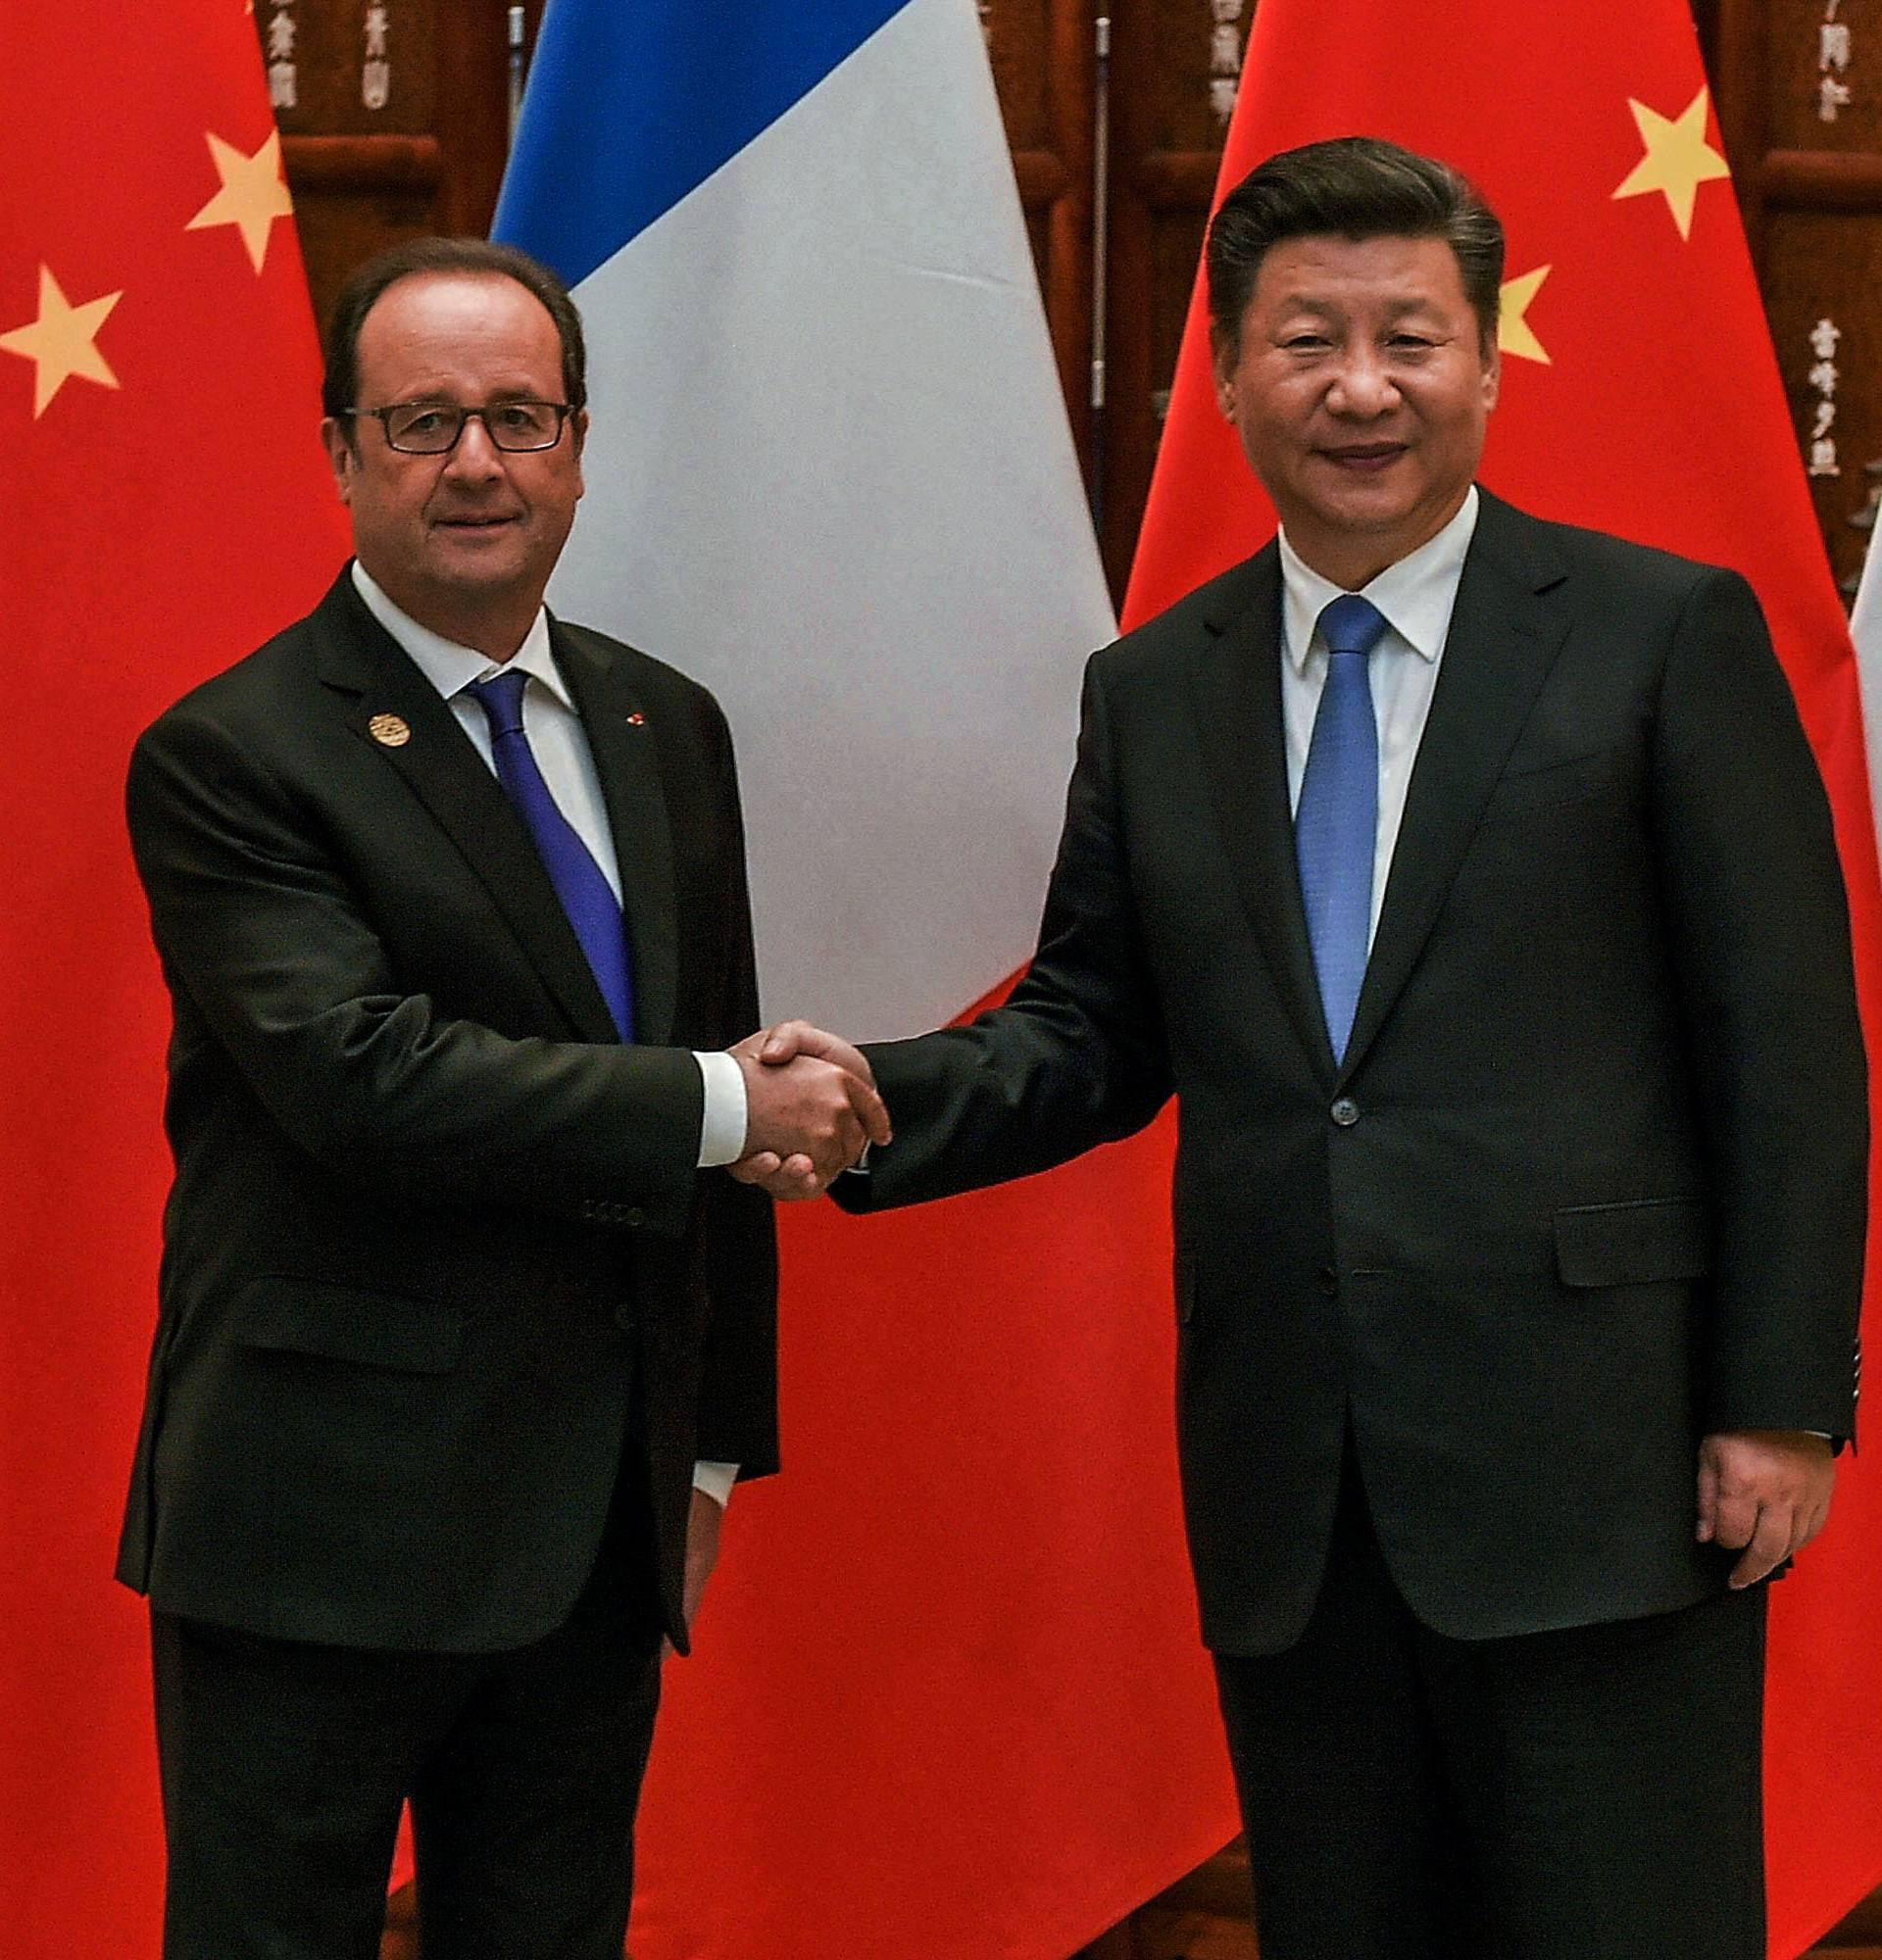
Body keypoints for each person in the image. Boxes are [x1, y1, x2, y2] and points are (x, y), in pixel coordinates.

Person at [747, 138, 1867, 1959]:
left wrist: (1777, 1400)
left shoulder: (1662, 638)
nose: (1362, 387)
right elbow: (1092, 1027)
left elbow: (1790, 1052)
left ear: (1488, 363)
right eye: (1310, 340)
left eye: (1410, 337)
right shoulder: (1157, 684)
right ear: (1227, 372)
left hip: (1607, 1473)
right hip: (1299, 1493)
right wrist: (860, 1105)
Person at [119, 236, 887, 1960]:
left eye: (521, 417)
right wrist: (716, 1101)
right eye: (423, 422)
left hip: (591, 1533)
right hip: (316, 1532)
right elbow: (361, 1079)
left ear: (581, 444)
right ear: (338, 453)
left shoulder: (661, 721)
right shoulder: (233, 752)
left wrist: (706, 1446)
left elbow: (727, 1094)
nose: (478, 462)